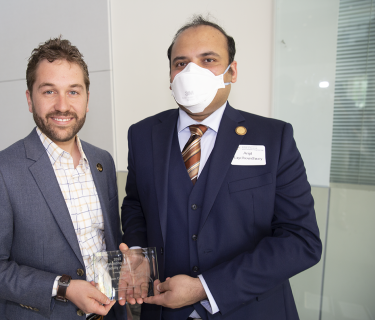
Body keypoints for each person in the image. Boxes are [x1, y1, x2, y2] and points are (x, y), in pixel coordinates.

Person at [120, 15, 322, 320]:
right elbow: (136, 203)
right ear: (171, 75)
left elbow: (301, 240)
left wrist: (205, 288)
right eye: (181, 63)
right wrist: (138, 251)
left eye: (208, 59)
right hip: (163, 311)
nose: (191, 72)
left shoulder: (273, 138)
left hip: (253, 311)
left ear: (232, 71)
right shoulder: (143, 134)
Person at [0, 37, 125, 320]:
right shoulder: (0, 172)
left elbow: (104, 243)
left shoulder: (103, 162)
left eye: (73, 92)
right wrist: (62, 287)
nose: (62, 106)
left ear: (87, 99)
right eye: (49, 91)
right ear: (29, 99)